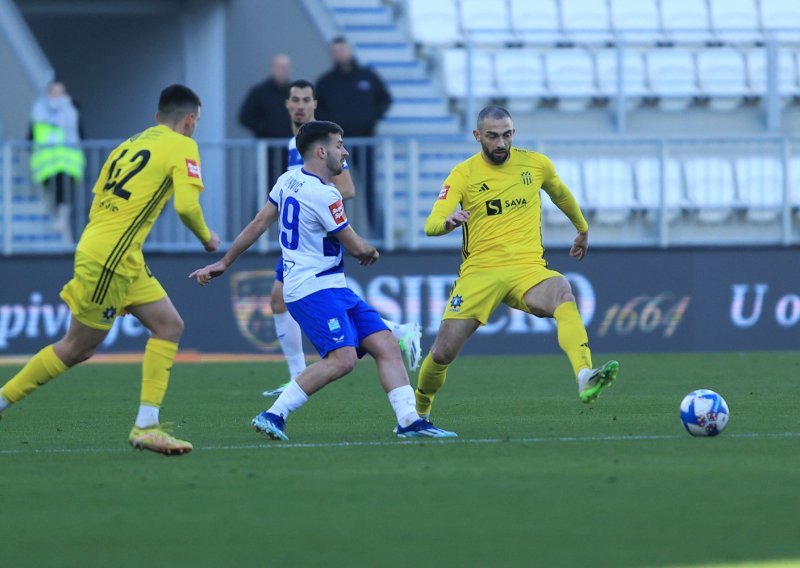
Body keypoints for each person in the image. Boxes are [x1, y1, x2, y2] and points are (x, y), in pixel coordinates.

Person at [190, 120, 454, 440]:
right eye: (339, 144)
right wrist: (370, 251)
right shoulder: (325, 194)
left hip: (331, 286)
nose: (344, 151)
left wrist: (224, 261)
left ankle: (409, 420)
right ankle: (274, 414)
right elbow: (356, 246)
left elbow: (260, 222)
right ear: (320, 151)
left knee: (384, 342)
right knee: (342, 360)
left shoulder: (288, 179)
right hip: (312, 289)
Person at [0, 85, 221, 456]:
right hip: (111, 258)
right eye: (196, 122)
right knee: (75, 348)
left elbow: (99, 197)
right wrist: (207, 238)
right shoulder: (183, 145)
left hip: (116, 252)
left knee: (169, 326)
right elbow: (186, 205)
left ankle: (147, 426)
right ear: (189, 120)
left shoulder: (128, 145)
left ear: (156, 117)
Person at [414, 106, 620, 423]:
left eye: (507, 135)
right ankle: (419, 412)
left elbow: (560, 193)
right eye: (493, 136)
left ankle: (584, 374)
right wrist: (447, 223)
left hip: (528, 268)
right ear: (477, 136)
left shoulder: (535, 164)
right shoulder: (463, 174)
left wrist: (582, 229)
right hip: (481, 272)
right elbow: (431, 221)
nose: (501, 143)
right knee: (442, 353)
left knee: (563, 291)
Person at [262, 80, 421, 398]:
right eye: (295, 100)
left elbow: (346, 188)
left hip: (316, 238)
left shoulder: (324, 143)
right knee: (282, 300)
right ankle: (396, 331)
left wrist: (322, 205)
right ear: (287, 105)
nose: (300, 106)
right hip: (305, 238)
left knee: (291, 301)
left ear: (315, 104)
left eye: (306, 100)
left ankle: (296, 376)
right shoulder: (293, 144)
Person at [315, 37, 392, 233]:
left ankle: (378, 234)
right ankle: (338, 231)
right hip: (337, 146)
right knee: (338, 189)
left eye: (342, 50)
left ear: (349, 50)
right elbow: (318, 109)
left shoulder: (367, 76)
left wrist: (371, 119)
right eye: (335, 51)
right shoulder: (326, 82)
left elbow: (385, 99)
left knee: (369, 188)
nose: (339, 54)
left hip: (365, 142)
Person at [29, 81, 85, 243]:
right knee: (49, 191)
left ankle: (62, 219)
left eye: (61, 91)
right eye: (55, 91)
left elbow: (80, 133)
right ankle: (54, 217)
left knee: (63, 189)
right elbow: (31, 134)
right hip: (46, 159)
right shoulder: (39, 111)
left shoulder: (71, 111)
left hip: (67, 158)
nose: (57, 94)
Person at [238, 54, 293, 139]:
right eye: (281, 67)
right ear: (272, 69)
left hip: (290, 145)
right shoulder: (259, 92)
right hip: (266, 146)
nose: (284, 70)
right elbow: (245, 117)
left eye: (286, 67)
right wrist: (265, 129)